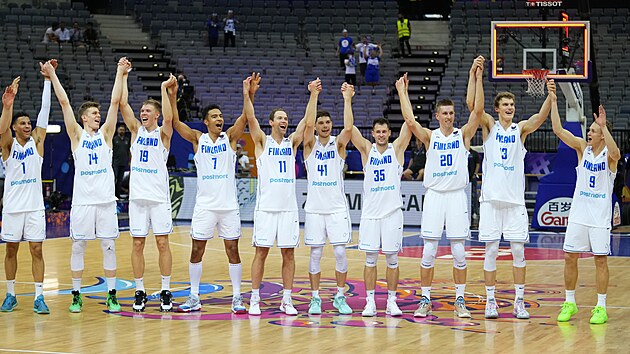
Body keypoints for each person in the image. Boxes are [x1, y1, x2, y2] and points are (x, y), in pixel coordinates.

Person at [468, 60, 554, 320]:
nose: (510, 108)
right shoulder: (489, 126)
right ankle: (491, 301)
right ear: (497, 109)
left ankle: (519, 301)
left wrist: (550, 96)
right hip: (492, 200)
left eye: (512, 105)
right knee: (491, 251)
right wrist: (478, 76)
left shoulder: (521, 129)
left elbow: (539, 118)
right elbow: (475, 107)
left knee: (518, 251)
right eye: (505, 105)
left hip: (515, 202)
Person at [43, 58, 126, 313]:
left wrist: (120, 73)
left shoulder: (107, 135)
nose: (98, 116)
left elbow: (115, 103)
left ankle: (112, 294)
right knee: (78, 245)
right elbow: (64, 102)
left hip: (104, 201)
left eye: (98, 114)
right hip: (82, 202)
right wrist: (53, 75)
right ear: (83, 117)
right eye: (93, 113)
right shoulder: (76, 135)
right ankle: (76, 295)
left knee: (108, 245)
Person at [406, 58, 485, 318]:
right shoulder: (430, 136)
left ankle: (460, 300)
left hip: (456, 197)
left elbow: (477, 111)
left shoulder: (463, 135)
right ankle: (425, 299)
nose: (449, 117)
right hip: (435, 196)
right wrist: (402, 92)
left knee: (459, 252)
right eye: (445, 113)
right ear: (438, 116)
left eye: (452, 113)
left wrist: (476, 76)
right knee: (428, 251)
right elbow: (409, 120)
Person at [173, 74, 258, 314]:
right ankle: (194, 296)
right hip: (205, 206)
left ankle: (237, 297)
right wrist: (171, 96)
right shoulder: (198, 139)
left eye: (221, 115)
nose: (219, 118)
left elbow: (245, 117)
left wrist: (248, 94)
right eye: (214, 116)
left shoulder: (230, 138)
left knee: (233, 250)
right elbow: (177, 123)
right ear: (206, 121)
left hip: (228, 206)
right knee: (196, 250)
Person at [349, 75, 416, 317]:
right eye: (377, 131)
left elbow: (410, 123)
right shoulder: (367, 150)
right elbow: (349, 129)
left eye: (384, 131)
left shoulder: (396, 149)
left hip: (391, 213)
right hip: (370, 214)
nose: (380, 135)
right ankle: (369, 302)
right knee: (369, 261)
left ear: (389, 133)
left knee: (392, 260)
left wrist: (402, 92)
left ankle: (391, 301)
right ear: (373, 133)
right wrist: (348, 100)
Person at [246, 77, 314, 316]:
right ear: (271, 122)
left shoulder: (292, 143)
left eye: (286, 118)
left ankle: (287, 299)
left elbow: (307, 122)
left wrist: (313, 95)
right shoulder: (262, 141)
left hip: (288, 208)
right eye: (280, 118)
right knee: (261, 253)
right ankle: (254, 299)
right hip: (266, 208)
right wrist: (248, 94)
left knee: (289, 253)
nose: (284, 121)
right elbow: (251, 119)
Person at [551, 97, 620, 324]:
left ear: (602, 134)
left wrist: (603, 124)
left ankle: (601, 307)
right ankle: (569, 302)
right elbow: (558, 130)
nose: (589, 133)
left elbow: (616, 152)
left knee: (600, 261)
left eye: (593, 131)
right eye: (589, 130)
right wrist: (553, 101)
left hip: (599, 217)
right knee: (570, 257)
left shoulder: (609, 157)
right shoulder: (582, 148)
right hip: (579, 215)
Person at [120, 58, 176, 312]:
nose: (142, 114)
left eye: (147, 112)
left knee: (163, 243)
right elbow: (122, 104)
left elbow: (170, 118)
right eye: (141, 111)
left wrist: (164, 90)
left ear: (156, 115)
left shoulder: (162, 134)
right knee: (138, 244)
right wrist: (123, 75)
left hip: (159, 198)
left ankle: (166, 289)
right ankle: (139, 290)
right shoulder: (135, 131)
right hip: (138, 198)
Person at [0, 70, 51, 314]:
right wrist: (7, 105)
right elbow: (2, 130)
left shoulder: (37, 143)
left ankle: (39, 297)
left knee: (37, 249)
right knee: (11, 250)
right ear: (14, 127)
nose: (28, 125)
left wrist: (48, 82)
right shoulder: (8, 145)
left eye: (29, 123)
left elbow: (45, 112)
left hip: (34, 207)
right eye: (23, 123)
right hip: (12, 207)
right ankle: (11, 295)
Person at [303, 82, 354, 315]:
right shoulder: (309, 145)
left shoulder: (338, 144)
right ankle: (315, 299)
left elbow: (349, 128)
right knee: (315, 254)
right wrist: (314, 95)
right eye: (321, 123)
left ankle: (340, 296)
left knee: (341, 252)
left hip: (336, 209)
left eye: (327, 123)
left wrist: (347, 99)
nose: (324, 125)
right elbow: (308, 124)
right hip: (314, 209)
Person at [113, 123, 130, 198]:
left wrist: (129, 161)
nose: (122, 131)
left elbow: (129, 151)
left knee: (120, 181)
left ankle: (118, 195)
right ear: (117, 130)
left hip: (123, 162)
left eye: (123, 130)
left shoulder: (127, 140)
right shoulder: (114, 139)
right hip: (115, 163)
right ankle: (112, 195)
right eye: (120, 129)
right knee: (114, 179)